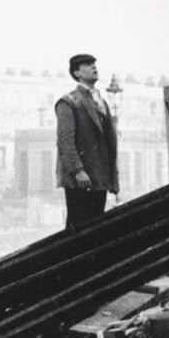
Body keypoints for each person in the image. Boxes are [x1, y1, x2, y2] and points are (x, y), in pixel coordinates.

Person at [55, 53, 119, 231]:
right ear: (77, 73)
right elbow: (65, 141)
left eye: (94, 63)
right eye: (87, 64)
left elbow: (109, 143)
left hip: (99, 176)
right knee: (78, 227)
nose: (94, 67)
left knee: (95, 225)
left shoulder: (101, 102)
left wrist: (113, 177)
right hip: (81, 178)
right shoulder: (68, 102)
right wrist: (78, 170)